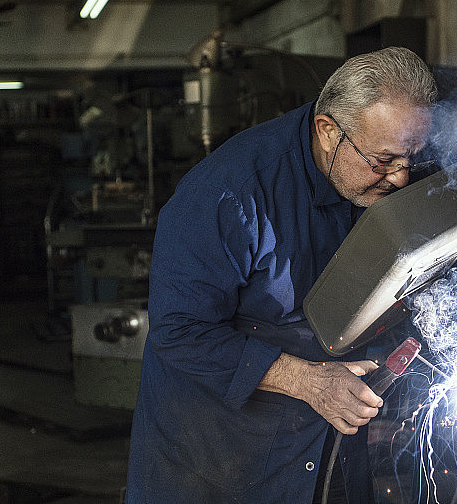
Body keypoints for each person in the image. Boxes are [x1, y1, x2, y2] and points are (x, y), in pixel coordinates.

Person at [125, 46, 437, 503]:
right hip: (223, 456)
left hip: (332, 438)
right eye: (383, 161)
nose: (400, 178)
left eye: (410, 159)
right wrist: (310, 381)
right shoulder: (229, 193)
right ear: (328, 132)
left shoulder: (388, 159)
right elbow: (178, 331)